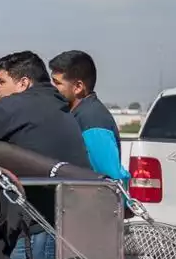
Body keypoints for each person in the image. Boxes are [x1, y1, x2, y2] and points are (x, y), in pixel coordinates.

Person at [0, 51, 90, 259]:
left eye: (1, 82)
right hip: (64, 221)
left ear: (23, 83)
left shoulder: (24, 104)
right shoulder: (51, 104)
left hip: (40, 230)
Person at [48, 50, 129, 184]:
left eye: (57, 83)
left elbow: (109, 179)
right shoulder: (76, 114)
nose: (52, 88)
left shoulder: (92, 120)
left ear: (78, 87)